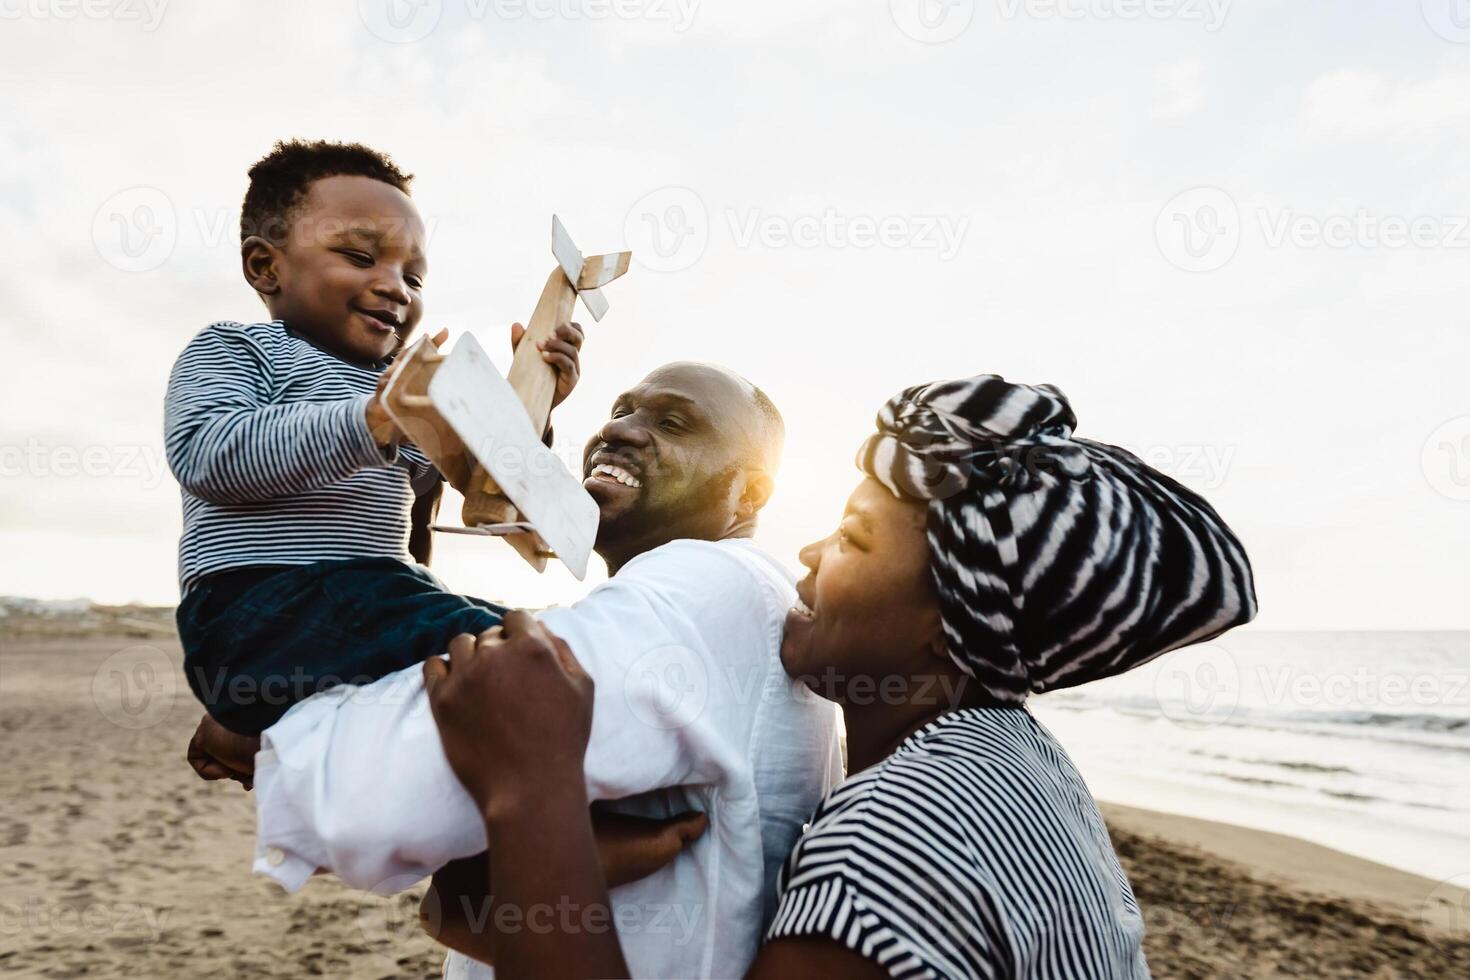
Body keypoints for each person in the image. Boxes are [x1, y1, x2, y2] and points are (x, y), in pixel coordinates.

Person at [422, 374, 1259, 978]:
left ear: (953, 622)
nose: (810, 556)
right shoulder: (1018, 760)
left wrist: (529, 799)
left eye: (854, 539)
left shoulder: (896, 842)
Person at [186, 361, 845, 979]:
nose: (617, 429)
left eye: (672, 424)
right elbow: (455, 909)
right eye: (621, 409)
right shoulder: (696, 607)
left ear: (750, 491)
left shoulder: (710, 581)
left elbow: (372, 805)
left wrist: (263, 738)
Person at [164, 139, 585, 734]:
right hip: (257, 613)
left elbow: (467, 485)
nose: (397, 288)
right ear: (265, 266)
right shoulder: (239, 349)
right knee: (523, 653)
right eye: (361, 258)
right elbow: (210, 455)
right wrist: (373, 419)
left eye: (413, 276)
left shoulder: (392, 388)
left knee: (557, 647)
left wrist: (530, 411)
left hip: (375, 598)